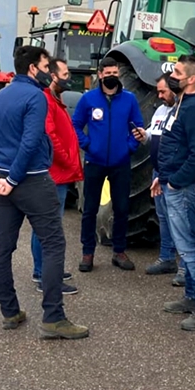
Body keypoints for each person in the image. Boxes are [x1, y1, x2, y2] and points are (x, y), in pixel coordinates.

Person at [0, 45, 88, 340]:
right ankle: (54, 317)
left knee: (3, 246)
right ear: (32, 68)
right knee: (54, 243)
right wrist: (14, 179)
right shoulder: (35, 97)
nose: (49, 71)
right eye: (45, 65)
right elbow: (30, 143)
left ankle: (10, 312)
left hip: (4, 182)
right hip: (31, 180)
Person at [157, 54, 195, 331]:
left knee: (189, 248)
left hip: (184, 188)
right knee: (187, 243)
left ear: (191, 79)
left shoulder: (194, 109)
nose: (174, 75)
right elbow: (174, 146)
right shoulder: (182, 104)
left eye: (179, 73)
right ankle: (192, 297)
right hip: (175, 184)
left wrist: (175, 181)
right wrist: (163, 177)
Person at [71, 57, 146, 273]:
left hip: (121, 163)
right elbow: (75, 125)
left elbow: (138, 126)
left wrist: (129, 147)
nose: (112, 77)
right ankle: (88, 253)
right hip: (94, 162)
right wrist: (87, 145)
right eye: (108, 73)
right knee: (90, 210)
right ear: (100, 74)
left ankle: (119, 251)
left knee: (122, 209)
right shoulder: (89, 99)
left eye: (115, 73)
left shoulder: (129, 99)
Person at [29, 58, 80, 295]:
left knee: (47, 226)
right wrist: (68, 160)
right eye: (66, 73)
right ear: (53, 76)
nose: (69, 77)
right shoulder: (46, 101)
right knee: (48, 227)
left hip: (58, 172)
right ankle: (44, 276)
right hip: (55, 173)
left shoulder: (53, 99)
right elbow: (50, 135)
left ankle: (45, 271)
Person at [145, 74, 186, 287]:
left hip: (174, 174)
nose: (159, 96)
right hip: (158, 173)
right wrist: (144, 134)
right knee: (163, 216)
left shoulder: (181, 112)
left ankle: (184, 268)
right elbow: (154, 133)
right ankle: (167, 258)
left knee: (178, 220)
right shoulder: (161, 111)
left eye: (163, 92)